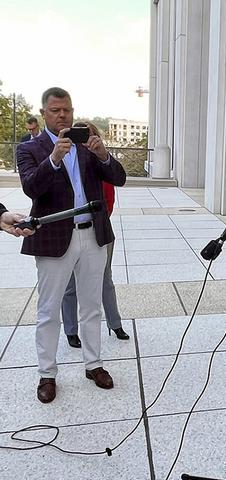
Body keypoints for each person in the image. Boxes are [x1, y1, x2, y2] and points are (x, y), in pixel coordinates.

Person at [16, 87, 126, 404]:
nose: (62, 115)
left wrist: (103, 153)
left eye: (66, 110)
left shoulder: (86, 145)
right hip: (53, 237)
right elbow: (31, 187)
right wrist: (54, 159)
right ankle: (47, 374)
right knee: (49, 310)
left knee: (91, 305)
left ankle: (94, 364)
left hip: (93, 235)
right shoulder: (31, 148)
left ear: (73, 111)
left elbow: (119, 178)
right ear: (43, 113)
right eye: (55, 110)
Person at [60, 122, 129, 348]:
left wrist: (102, 153)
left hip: (100, 229)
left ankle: (114, 323)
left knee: (105, 279)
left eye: (89, 135)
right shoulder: (69, 160)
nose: (84, 140)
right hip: (69, 231)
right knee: (70, 284)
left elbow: (113, 188)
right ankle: (71, 329)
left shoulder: (99, 160)